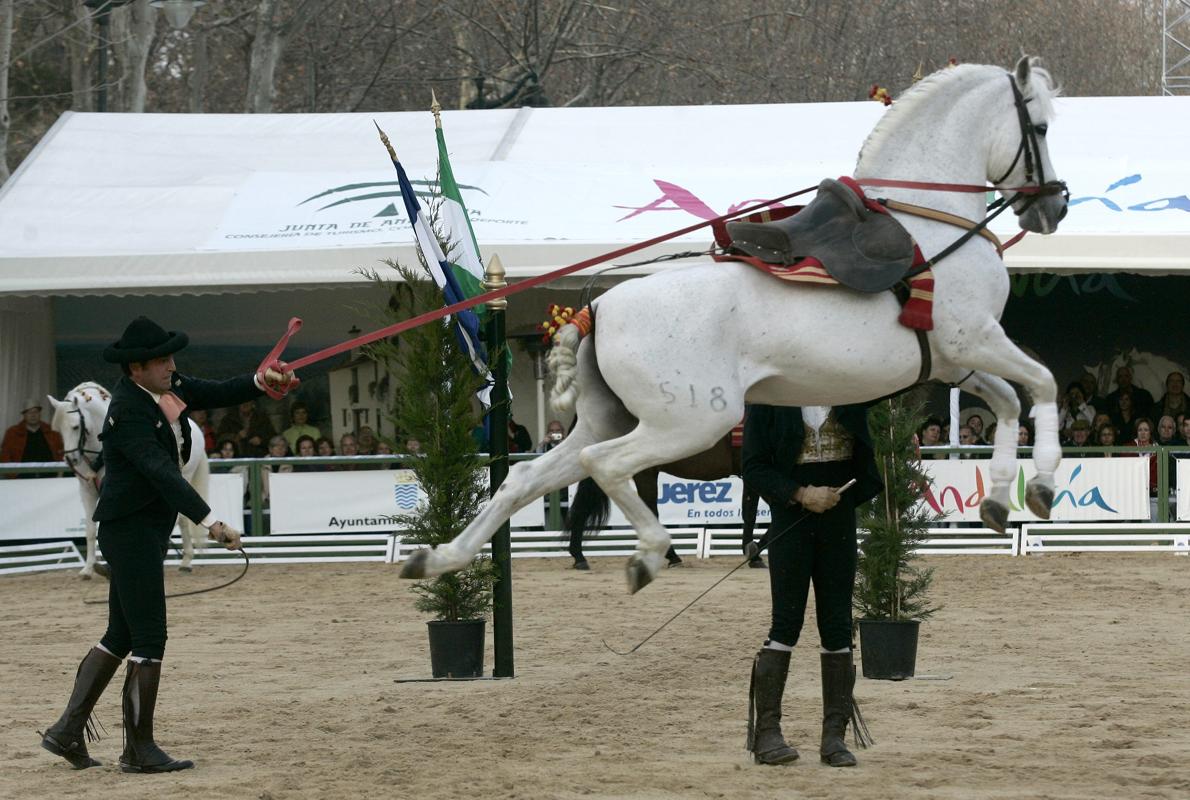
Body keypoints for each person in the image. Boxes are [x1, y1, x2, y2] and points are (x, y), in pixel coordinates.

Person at [39, 316, 294, 774]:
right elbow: (161, 472)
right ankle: (138, 749)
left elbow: (216, 392)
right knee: (150, 637)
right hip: (130, 530)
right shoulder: (128, 412)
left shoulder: (165, 385)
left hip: (142, 529)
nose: (171, 366)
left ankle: (67, 730)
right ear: (136, 369)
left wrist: (261, 380)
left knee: (120, 634)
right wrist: (211, 521)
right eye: (162, 360)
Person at [741, 403, 882, 768]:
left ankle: (834, 735)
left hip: (838, 515)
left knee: (837, 624)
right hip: (791, 515)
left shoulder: (848, 391)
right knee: (785, 623)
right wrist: (800, 494)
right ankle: (767, 732)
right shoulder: (768, 395)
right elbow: (753, 466)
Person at [1, 398, 64, 476]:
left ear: (40, 414)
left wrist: (60, 473)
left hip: (49, 478)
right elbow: (5, 456)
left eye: (35, 412)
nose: (33, 415)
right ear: (24, 415)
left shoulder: (52, 432)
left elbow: (62, 454)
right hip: (22, 479)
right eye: (29, 412)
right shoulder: (12, 433)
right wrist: (12, 476)